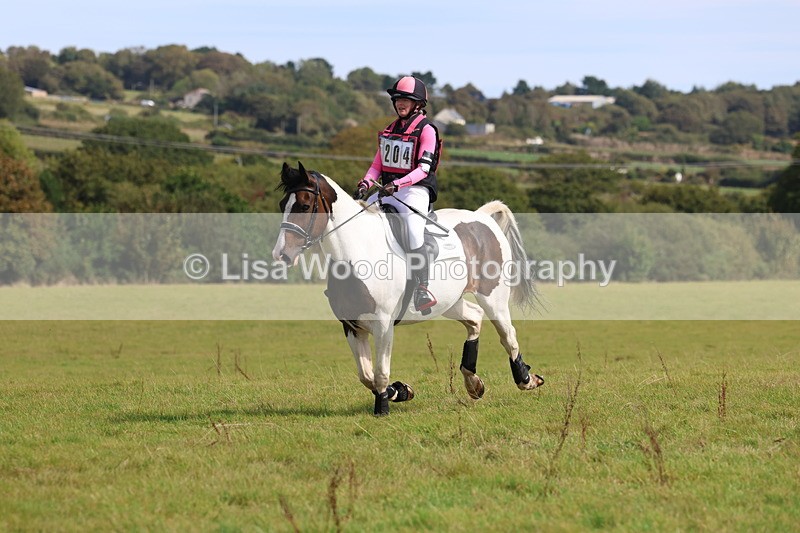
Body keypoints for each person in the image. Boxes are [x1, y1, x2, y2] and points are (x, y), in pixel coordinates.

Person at [355, 76, 442, 315]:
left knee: (413, 232)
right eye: (397, 99)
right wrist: (365, 184)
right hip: (388, 190)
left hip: (415, 190)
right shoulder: (390, 130)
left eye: (406, 99)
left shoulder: (427, 130)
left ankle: (422, 289)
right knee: (358, 218)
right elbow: (377, 165)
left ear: (418, 104)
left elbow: (423, 169)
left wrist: (398, 184)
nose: (400, 103)